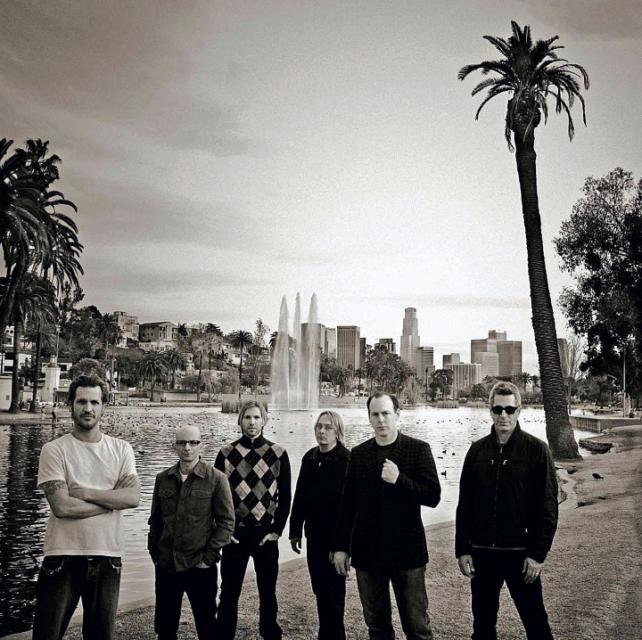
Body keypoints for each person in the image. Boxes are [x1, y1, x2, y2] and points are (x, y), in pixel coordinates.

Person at [32, 374, 140, 640]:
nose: (88, 408)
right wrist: (110, 501)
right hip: (62, 556)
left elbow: (132, 497)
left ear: (104, 406)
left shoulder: (121, 449)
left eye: (94, 402)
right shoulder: (54, 450)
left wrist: (87, 493)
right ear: (71, 404)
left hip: (107, 556)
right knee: (47, 635)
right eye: (81, 401)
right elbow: (62, 507)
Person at [455, 381, 558, 640]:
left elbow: (547, 507)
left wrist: (537, 555)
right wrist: (463, 549)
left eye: (509, 409)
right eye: (498, 409)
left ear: (519, 410)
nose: (503, 415)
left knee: (536, 624)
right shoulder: (477, 451)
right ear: (490, 410)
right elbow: (464, 503)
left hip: (520, 555)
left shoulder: (537, 450)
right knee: (483, 626)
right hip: (482, 554)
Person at [333, 391, 441, 640]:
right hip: (368, 553)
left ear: (397, 414)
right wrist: (341, 547)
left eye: (386, 413)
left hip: (407, 553)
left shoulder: (418, 449)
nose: (381, 420)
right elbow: (347, 504)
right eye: (375, 414)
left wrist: (400, 480)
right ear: (369, 417)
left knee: (416, 627)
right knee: (377, 627)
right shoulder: (359, 454)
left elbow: (433, 496)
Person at [148, 425, 235, 639]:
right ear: (175, 446)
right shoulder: (163, 478)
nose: (187, 447)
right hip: (167, 565)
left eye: (193, 443)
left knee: (207, 627)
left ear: (200, 445)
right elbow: (155, 521)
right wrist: (156, 554)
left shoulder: (216, 479)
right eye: (182, 443)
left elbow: (226, 523)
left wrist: (208, 557)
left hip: (200, 565)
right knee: (165, 628)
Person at [214, 400, 292, 640]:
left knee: (267, 592)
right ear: (240, 420)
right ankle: (224, 635)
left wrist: (277, 530)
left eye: (257, 417)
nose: (252, 422)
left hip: (264, 535)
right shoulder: (226, 454)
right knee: (229, 592)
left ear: (264, 420)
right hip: (235, 536)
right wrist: (224, 530)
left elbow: (285, 496)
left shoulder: (278, 454)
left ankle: (270, 633)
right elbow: (216, 498)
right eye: (247, 417)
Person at [289, 411, 350, 640]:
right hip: (314, 536)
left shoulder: (346, 460)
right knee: (320, 591)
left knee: (334, 595)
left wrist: (342, 546)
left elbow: (350, 508)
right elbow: (300, 496)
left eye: (328, 427)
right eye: (319, 426)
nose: (322, 431)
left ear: (338, 431)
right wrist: (295, 530)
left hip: (335, 540)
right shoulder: (310, 458)